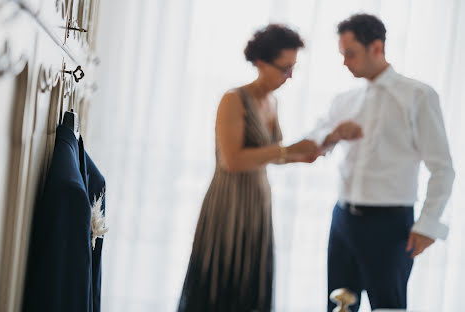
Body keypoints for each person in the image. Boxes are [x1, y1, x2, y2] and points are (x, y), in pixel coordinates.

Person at [309, 14, 455, 311]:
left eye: (351, 54)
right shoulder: (344, 99)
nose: (345, 63)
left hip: (389, 225)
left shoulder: (418, 95)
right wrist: (334, 134)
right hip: (342, 219)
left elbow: (442, 168)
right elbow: (312, 142)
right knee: (338, 304)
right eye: (342, 55)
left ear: (376, 48)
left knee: (388, 306)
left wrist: (428, 224)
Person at [178, 24, 319, 312]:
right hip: (229, 201)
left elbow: (269, 156)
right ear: (261, 62)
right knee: (223, 282)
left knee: (251, 283)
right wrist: (287, 150)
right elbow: (233, 160)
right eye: (284, 68)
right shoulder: (233, 99)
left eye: (293, 69)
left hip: (258, 201)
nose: (289, 77)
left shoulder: (272, 101)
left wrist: (302, 154)